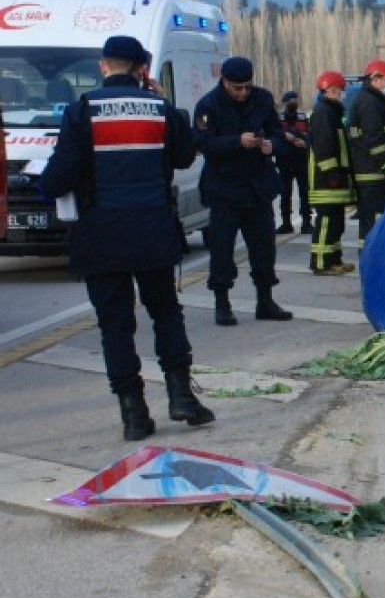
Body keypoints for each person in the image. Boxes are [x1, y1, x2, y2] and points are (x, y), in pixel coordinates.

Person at [39, 35, 215, 441]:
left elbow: (58, 178)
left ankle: (134, 414)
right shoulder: (161, 111)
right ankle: (182, 397)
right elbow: (185, 157)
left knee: (114, 326)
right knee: (166, 312)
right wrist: (165, 103)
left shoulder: (82, 111)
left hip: (102, 235)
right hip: (153, 231)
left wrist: (48, 185)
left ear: (104, 66)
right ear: (142, 70)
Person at [194, 56, 293, 326]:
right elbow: (204, 143)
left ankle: (265, 299)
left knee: (264, 248)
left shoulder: (262, 99)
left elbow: (277, 132)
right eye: (237, 88)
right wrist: (237, 142)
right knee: (222, 250)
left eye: (247, 87)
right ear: (224, 82)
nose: (243, 93)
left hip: (258, 187)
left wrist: (272, 145)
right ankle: (222, 302)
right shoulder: (208, 105)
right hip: (225, 189)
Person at [347, 58, 385, 249]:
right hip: (374, 173)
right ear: (375, 78)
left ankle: (372, 257)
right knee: (374, 221)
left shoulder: (372, 100)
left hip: (372, 172)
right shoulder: (370, 103)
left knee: (372, 221)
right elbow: (374, 140)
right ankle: (372, 259)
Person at [308, 71, 357, 275]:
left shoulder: (332, 112)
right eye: (338, 90)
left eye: (341, 91)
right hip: (326, 180)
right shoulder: (323, 113)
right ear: (328, 90)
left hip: (334, 178)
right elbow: (324, 146)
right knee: (327, 221)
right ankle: (321, 263)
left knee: (336, 222)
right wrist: (331, 172)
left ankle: (334, 260)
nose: (341, 94)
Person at [274, 90, 311, 235]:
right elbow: (276, 135)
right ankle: (286, 223)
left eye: (295, 100)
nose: (293, 103)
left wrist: (303, 141)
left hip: (301, 159)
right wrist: (287, 137)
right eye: (291, 100)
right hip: (285, 160)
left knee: (304, 193)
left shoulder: (302, 116)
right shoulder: (279, 119)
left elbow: (309, 135)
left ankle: (307, 223)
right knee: (285, 193)